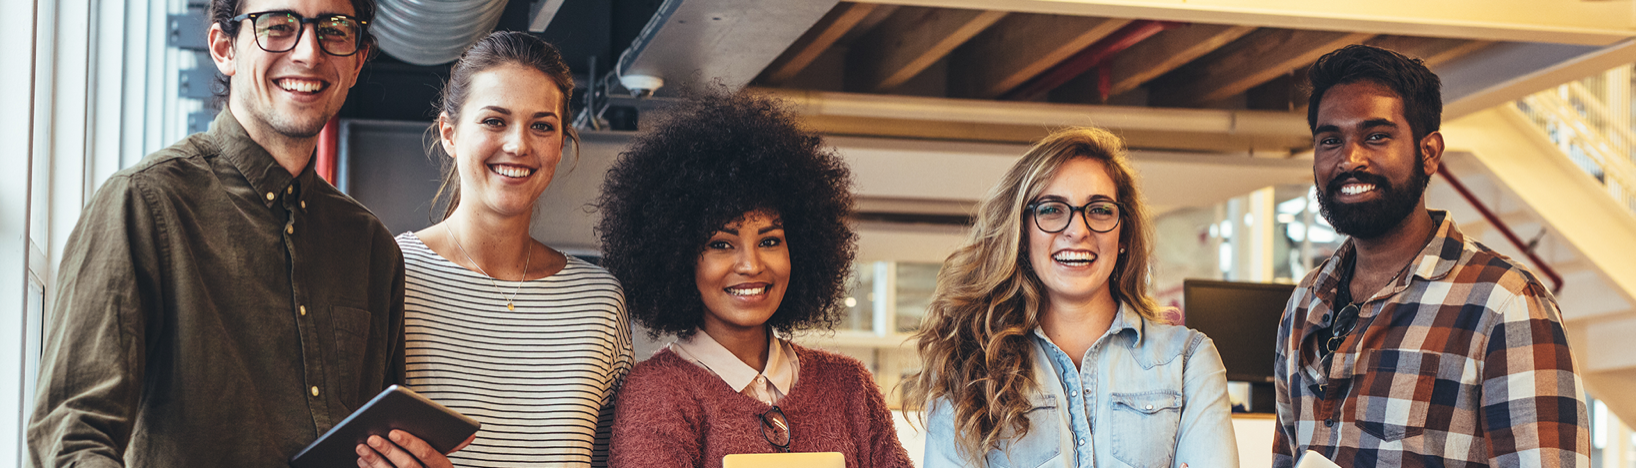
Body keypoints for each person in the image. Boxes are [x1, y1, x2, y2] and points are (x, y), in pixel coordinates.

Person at [27, 0, 459, 466]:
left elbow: (378, 445)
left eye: (335, 29)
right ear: (223, 47)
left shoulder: (372, 247)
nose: (309, 53)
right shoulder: (144, 205)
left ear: (357, 62)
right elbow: (71, 439)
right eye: (278, 25)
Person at [1272, 44, 1589, 467]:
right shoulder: (1305, 302)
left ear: (1429, 152)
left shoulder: (1504, 304)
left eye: (1376, 136)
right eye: (1331, 140)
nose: (1349, 159)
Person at [600, 92, 911, 468]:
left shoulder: (849, 387)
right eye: (721, 244)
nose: (751, 264)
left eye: (769, 241)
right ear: (678, 257)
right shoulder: (659, 393)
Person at [903, 127, 1237, 468]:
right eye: (1051, 210)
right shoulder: (968, 363)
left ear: (1124, 233)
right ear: (1022, 231)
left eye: (1100, 210)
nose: (1078, 230)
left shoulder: (1188, 362)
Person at [385, 31, 633, 468]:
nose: (519, 144)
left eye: (541, 125)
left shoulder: (600, 300)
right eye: (495, 121)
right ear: (449, 133)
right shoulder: (393, 271)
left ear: (560, 146)